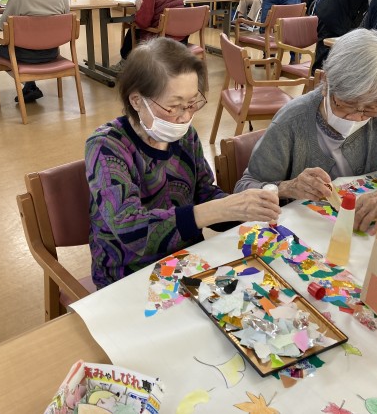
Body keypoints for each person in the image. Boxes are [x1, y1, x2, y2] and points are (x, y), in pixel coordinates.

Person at [86, 38, 281, 288]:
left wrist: (244, 209)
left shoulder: (185, 136)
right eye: (175, 106)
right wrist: (221, 209)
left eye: (191, 104)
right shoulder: (107, 146)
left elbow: (205, 192)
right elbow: (130, 230)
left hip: (188, 260)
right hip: (128, 273)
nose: (186, 116)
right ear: (136, 101)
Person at [235, 29, 377, 233]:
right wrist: (286, 188)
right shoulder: (291, 122)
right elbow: (244, 188)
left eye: (370, 108)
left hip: (355, 232)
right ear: (326, 83)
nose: (356, 117)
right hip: (301, 236)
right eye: (346, 104)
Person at [0, 0, 69, 103]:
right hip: (52, 53)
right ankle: (30, 87)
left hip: (24, 56)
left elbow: (3, 26)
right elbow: (65, 23)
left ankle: (29, 85)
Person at [116, 0, 184, 67]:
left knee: (133, 28)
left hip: (160, 38)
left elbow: (142, 23)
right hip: (180, 36)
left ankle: (124, 62)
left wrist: (139, 7)